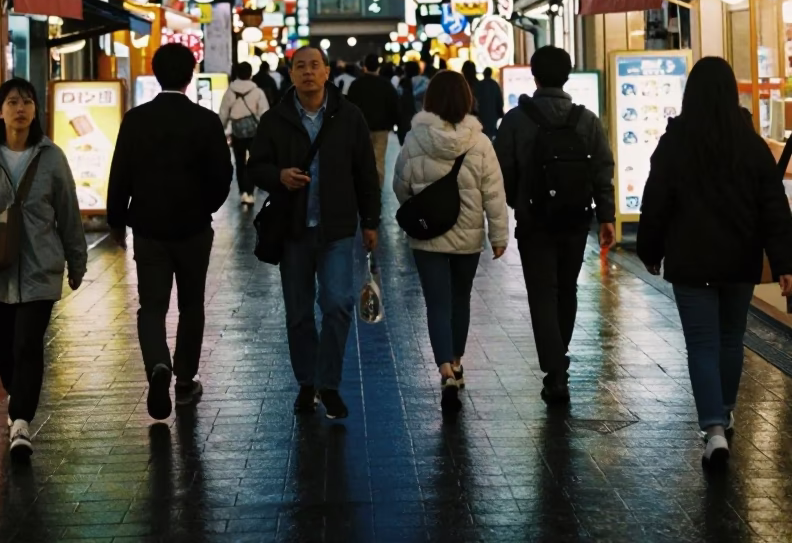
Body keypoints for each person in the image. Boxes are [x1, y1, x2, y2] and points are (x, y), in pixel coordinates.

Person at [637, 56, 792, 467]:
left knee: (702, 343)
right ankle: (724, 410)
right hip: (739, 260)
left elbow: (656, 203)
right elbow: (774, 207)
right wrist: (784, 263)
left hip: (691, 262)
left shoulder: (675, 142)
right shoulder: (750, 145)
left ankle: (715, 430)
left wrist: (649, 251)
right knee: (730, 339)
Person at [0, 79, 87, 457]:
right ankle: (17, 398)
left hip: (40, 270)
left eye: (27, 102)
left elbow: (68, 213)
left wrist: (77, 260)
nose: (20, 108)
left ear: (36, 110)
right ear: (0, 111)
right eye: (12, 102)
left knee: (27, 344)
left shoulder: (52, 157)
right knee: (2, 350)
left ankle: (21, 421)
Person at [249, 45, 380, 420]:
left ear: (327, 73)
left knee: (338, 304)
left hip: (337, 227)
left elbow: (365, 172)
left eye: (314, 66)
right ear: (290, 74)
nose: (308, 72)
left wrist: (370, 221)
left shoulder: (348, 116)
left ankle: (329, 384)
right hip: (293, 230)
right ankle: (308, 382)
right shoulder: (275, 120)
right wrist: (279, 176)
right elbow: (255, 168)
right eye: (300, 67)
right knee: (298, 314)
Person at [107, 44, 233, 421]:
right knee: (191, 304)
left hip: (149, 229)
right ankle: (184, 379)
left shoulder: (135, 120)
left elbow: (120, 174)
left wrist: (117, 220)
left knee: (153, 306)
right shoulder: (206, 121)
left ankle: (158, 364)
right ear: (191, 73)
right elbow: (223, 176)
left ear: (155, 71)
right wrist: (205, 206)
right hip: (193, 229)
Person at [495, 46, 615, 404]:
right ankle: (558, 360)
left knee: (542, 293)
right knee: (567, 289)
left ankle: (555, 371)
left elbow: (502, 170)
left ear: (535, 75)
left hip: (534, 221)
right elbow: (602, 170)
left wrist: (519, 203)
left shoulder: (517, 120)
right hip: (577, 218)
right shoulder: (586, 119)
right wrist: (606, 215)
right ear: (568, 74)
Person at [394, 71, 508, 412]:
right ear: (467, 101)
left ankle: (443, 367)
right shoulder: (481, 142)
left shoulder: (415, 141)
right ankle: (457, 362)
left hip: (428, 236)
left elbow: (401, 187)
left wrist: (422, 209)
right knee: (460, 299)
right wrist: (499, 235)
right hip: (468, 236)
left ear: (429, 101)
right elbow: (494, 192)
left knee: (437, 303)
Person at [219, 62, 270, 206]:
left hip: (237, 132)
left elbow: (223, 112)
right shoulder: (257, 91)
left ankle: (243, 192)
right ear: (250, 74)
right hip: (254, 132)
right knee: (253, 162)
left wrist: (221, 129)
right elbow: (264, 112)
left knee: (240, 162)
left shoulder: (230, 91)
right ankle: (250, 192)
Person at [347, 53, 401, 186]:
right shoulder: (386, 85)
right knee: (378, 159)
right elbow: (394, 105)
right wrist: (394, 124)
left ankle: (361, 185)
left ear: (364, 66)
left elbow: (349, 106)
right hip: (381, 129)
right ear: (378, 67)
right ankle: (376, 187)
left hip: (360, 128)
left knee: (361, 158)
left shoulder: (356, 84)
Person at [476, 67, 505, 140]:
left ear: (484, 74)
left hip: (481, 116)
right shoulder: (495, 85)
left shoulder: (479, 85)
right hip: (493, 115)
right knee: (491, 135)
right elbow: (500, 101)